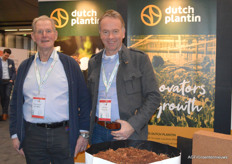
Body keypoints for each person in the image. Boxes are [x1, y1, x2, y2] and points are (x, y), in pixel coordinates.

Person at [9, 15, 91, 164]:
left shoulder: (70, 65)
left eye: (48, 31)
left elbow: (84, 101)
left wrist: (84, 133)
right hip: (32, 134)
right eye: (39, 32)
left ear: (55, 35)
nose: (44, 35)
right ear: (33, 36)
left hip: (64, 133)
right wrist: (15, 134)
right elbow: (15, 103)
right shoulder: (24, 67)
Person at [87, 9, 161, 144]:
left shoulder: (139, 60)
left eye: (115, 31)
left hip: (128, 132)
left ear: (123, 33)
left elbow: (154, 96)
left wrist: (133, 125)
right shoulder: (93, 62)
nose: (110, 37)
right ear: (100, 34)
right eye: (105, 32)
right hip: (98, 132)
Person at [0, 48, 16, 121]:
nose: (6, 57)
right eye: (6, 55)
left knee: (7, 96)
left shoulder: (11, 62)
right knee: (2, 97)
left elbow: (13, 72)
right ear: (3, 53)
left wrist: (12, 79)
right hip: (1, 82)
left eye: (8, 56)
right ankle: (4, 111)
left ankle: (5, 113)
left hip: (8, 82)